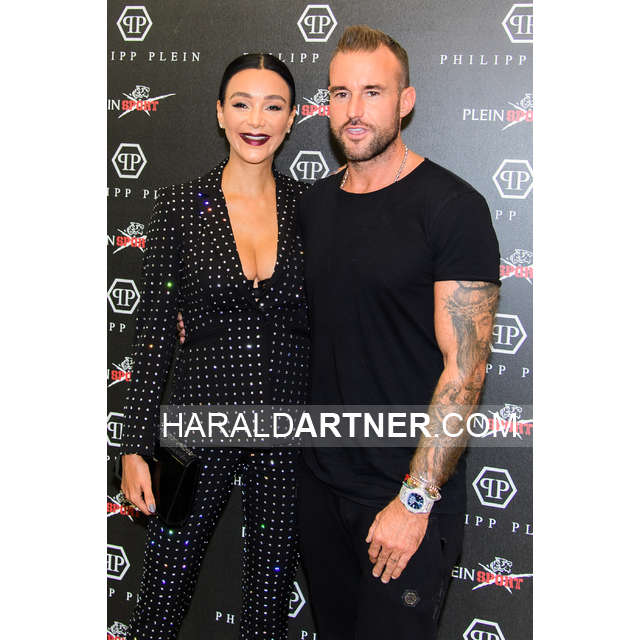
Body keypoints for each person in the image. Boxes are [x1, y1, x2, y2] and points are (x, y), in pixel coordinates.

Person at [294, 26, 501, 639]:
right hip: (320, 489)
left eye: (373, 92)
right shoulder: (313, 205)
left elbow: (466, 369)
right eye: (340, 93)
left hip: (403, 497)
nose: (354, 111)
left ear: (405, 101)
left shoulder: (451, 207)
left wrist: (414, 501)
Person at [119, 53, 311, 640]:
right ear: (220, 114)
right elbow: (155, 334)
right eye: (242, 104)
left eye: (273, 106)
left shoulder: (313, 208)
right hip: (197, 428)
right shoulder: (179, 208)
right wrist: (134, 447)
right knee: (160, 602)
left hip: (286, 432)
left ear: (292, 118)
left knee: (268, 611)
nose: (256, 119)